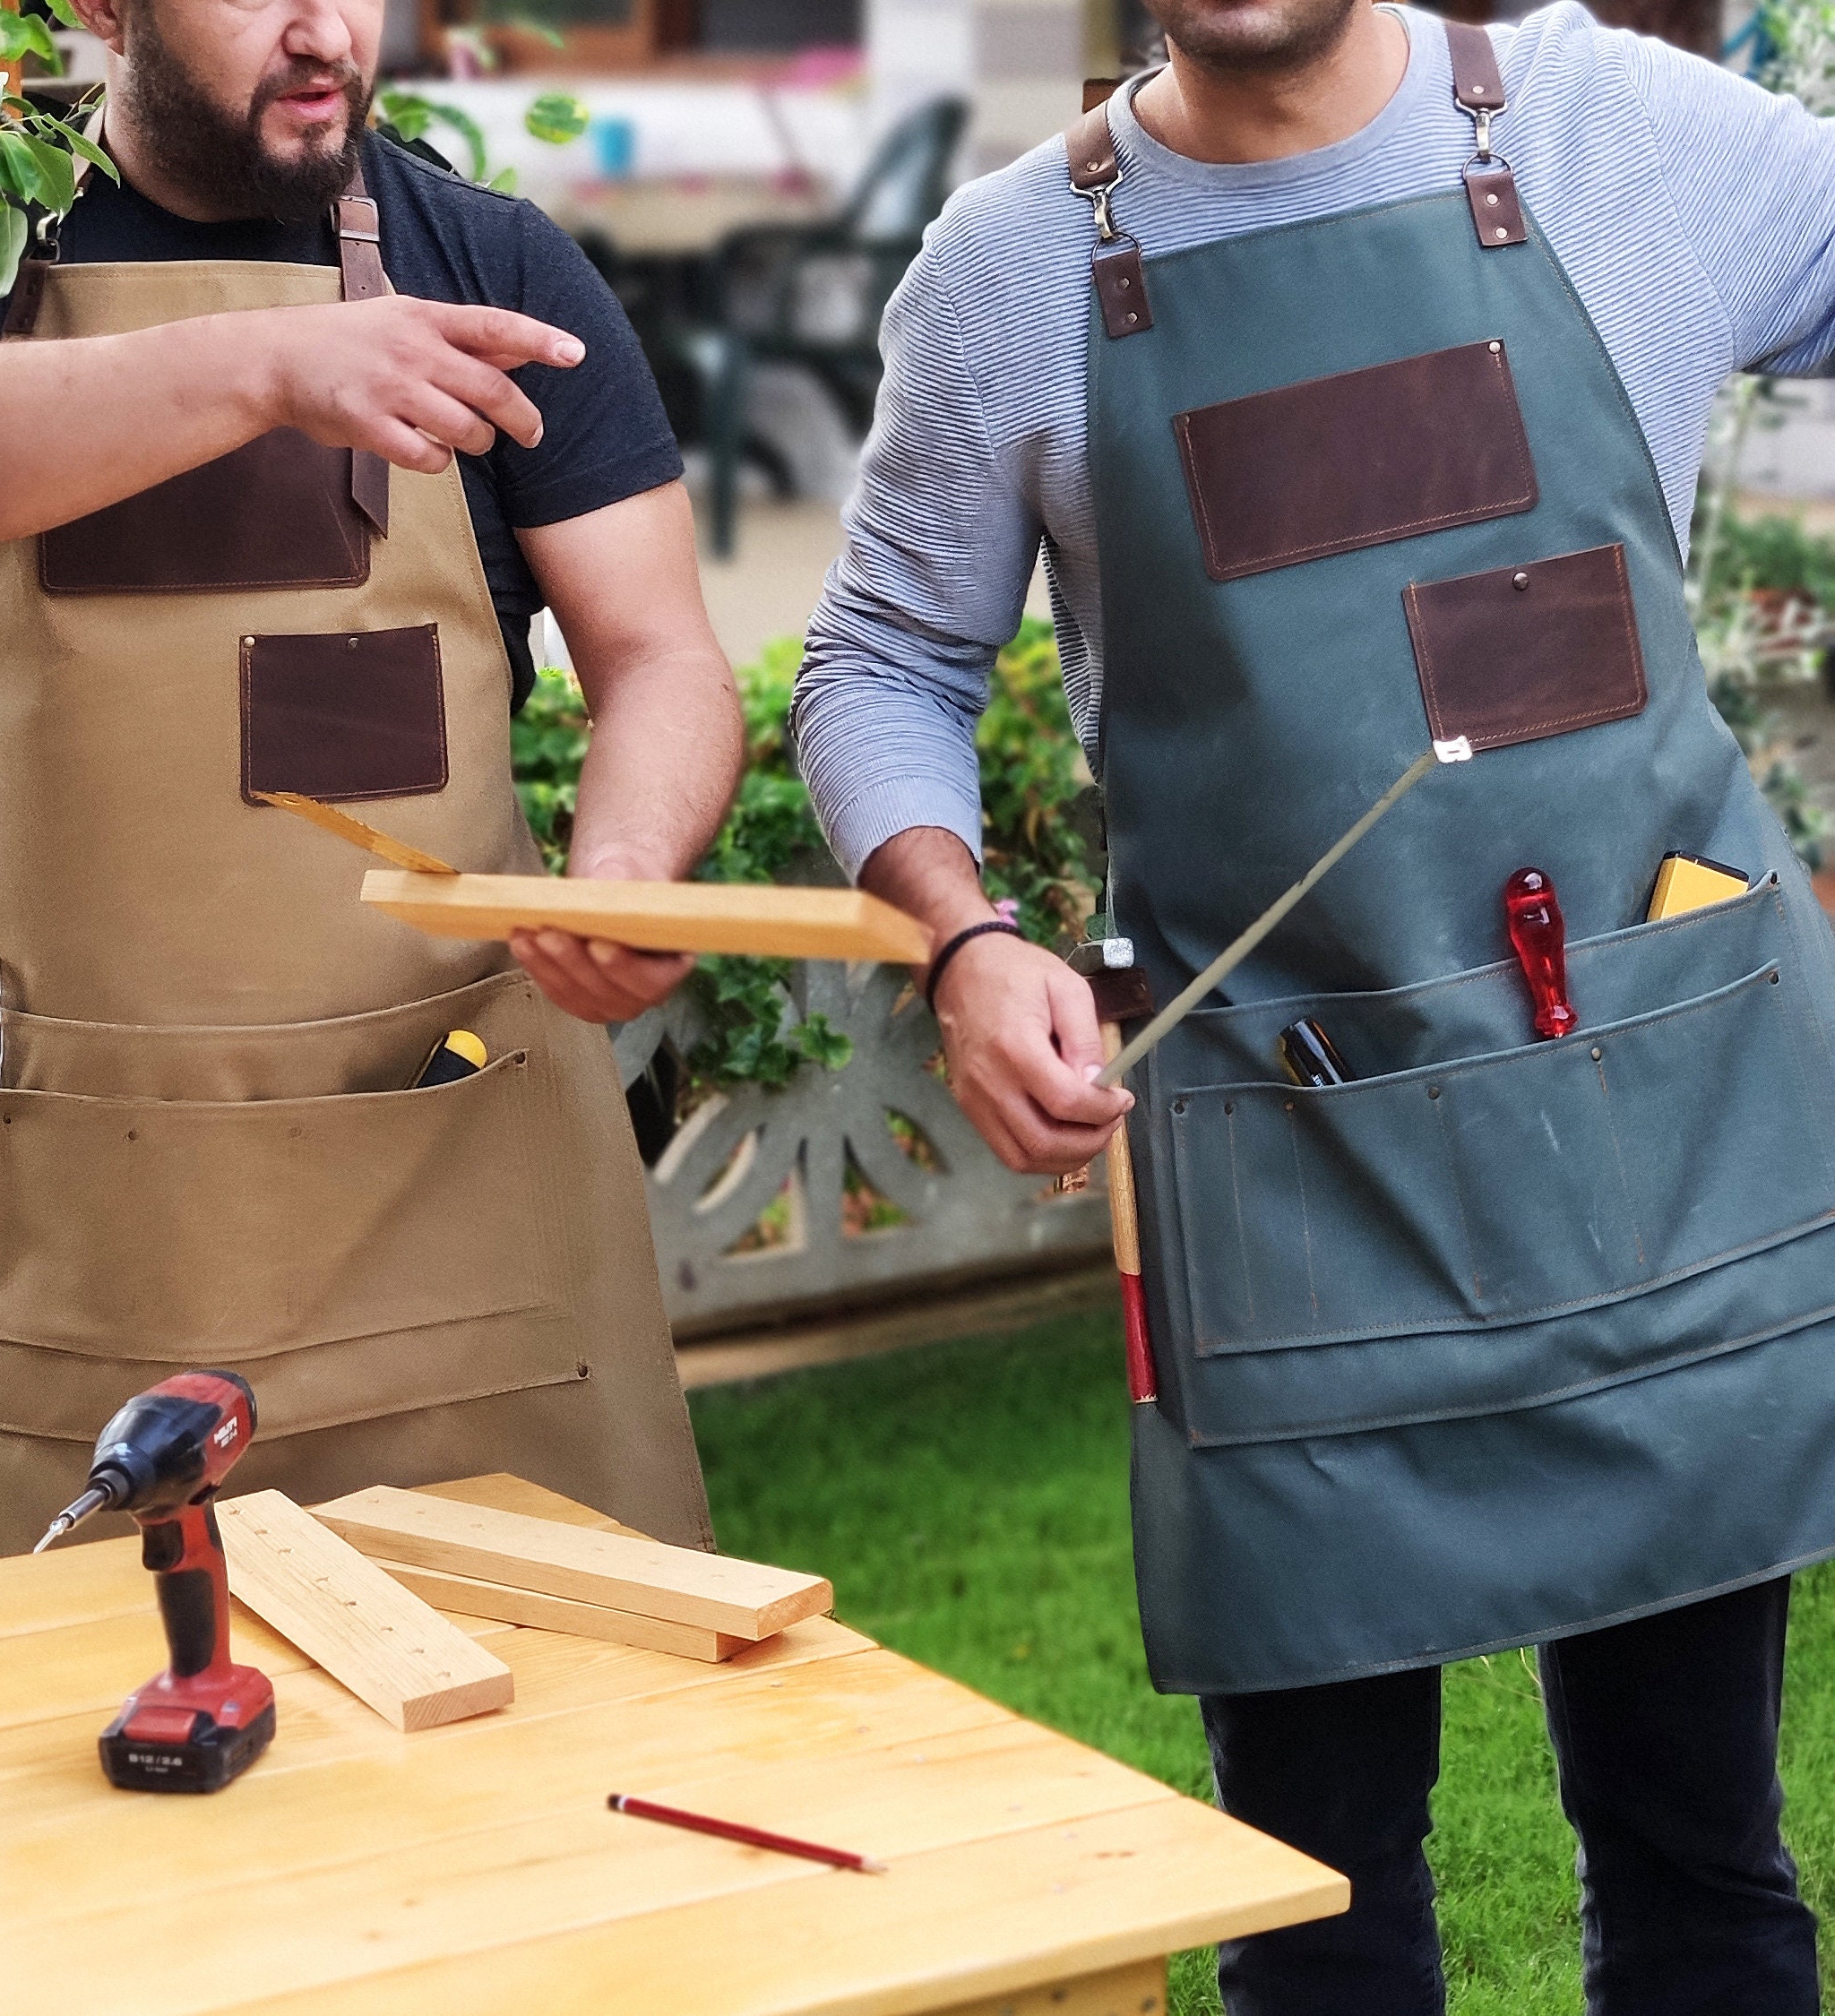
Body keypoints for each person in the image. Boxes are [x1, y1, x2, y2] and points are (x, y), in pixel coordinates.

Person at [795, 3, 1835, 2009]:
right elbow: (879, 658)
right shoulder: (1014, 269)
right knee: (1312, 1896)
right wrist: (965, 934)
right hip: (1290, 1176)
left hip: (1650, 1120)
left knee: (1702, 1855)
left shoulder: (1620, 130)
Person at [0, 0, 739, 1572]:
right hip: (80, 1227)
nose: (325, 29)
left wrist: (626, 867)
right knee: (62, 1773)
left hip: (454, 1197)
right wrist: (270, 364)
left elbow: (659, 653)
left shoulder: (495, 260)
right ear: (106, 10)